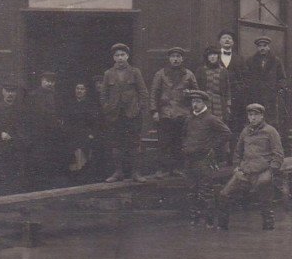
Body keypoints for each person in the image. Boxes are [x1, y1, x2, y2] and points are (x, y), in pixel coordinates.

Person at [217, 103, 285, 231]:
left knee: (265, 200)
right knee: (224, 194)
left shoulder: (270, 131)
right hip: (245, 172)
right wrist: (237, 168)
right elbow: (238, 152)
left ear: (262, 116)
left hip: (262, 171)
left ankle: (268, 227)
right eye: (250, 115)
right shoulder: (245, 131)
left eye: (255, 115)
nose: (252, 118)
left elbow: (278, 155)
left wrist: (270, 171)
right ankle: (222, 227)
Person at [182, 89, 231, 227]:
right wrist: (185, 148)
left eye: (198, 101)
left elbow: (226, 133)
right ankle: (194, 218)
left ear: (204, 103)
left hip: (204, 159)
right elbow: (184, 135)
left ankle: (209, 219)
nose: (195, 105)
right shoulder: (189, 119)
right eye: (193, 101)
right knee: (191, 189)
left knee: (205, 190)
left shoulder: (211, 119)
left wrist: (211, 147)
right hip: (190, 159)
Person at [101, 43, 149, 183]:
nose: (120, 58)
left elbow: (143, 92)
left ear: (127, 56)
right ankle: (118, 172)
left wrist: (140, 108)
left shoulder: (135, 72)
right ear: (113, 58)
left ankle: (136, 173)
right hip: (115, 114)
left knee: (134, 143)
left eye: (122, 55)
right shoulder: (108, 73)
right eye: (117, 55)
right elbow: (103, 94)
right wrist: (107, 107)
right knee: (116, 144)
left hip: (132, 113)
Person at [150, 46, 198, 179]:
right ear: (169, 59)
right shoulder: (160, 74)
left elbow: (196, 94)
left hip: (183, 113)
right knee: (164, 143)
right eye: (173, 57)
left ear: (182, 59)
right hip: (165, 113)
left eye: (178, 57)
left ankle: (178, 168)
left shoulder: (189, 74)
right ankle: (162, 169)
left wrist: (193, 110)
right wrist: (154, 111)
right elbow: (154, 93)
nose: (175, 59)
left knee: (179, 142)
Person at [0, 80, 29, 195]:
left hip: (17, 149)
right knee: (2, 177)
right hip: (1, 149)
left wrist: (20, 139)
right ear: (3, 92)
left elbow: (25, 127)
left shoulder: (21, 109)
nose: (10, 94)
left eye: (13, 92)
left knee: (17, 178)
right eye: (8, 91)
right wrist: (0, 134)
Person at [218, 30, 249, 158]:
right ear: (219, 41)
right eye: (224, 38)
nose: (227, 40)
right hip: (219, 97)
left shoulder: (239, 58)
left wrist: (241, 90)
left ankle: (234, 154)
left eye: (229, 38)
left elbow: (246, 77)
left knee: (235, 125)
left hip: (237, 98)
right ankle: (220, 155)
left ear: (233, 42)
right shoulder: (213, 57)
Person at [245, 36, 287, 130]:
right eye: (260, 46)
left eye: (265, 45)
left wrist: (276, 90)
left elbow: (282, 79)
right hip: (255, 97)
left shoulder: (276, 61)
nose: (262, 48)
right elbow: (246, 79)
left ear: (268, 47)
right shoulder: (250, 61)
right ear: (257, 48)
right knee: (255, 122)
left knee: (271, 123)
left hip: (271, 98)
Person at [64, 81, 101, 184]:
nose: (79, 91)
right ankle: (74, 178)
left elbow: (95, 122)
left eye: (82, 89)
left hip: (86, 134)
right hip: (72, 134)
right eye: (77, 89)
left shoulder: (90, 104)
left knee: (84, 154)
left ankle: (84, 178)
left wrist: (92, 134)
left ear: (86, 91)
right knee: (72, 154)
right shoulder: (70, 104)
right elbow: (66, 120)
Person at [195, 45, 231, 125]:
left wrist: (228, 105)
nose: (212, 57)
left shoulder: (223, 71)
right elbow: (196, 88)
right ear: (207, 57)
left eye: (214, 55)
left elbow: (227, 88)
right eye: (210, 55)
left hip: (220, 102)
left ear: (218, 56)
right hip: (205, 102)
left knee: (219, 123)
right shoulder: (201, 70)